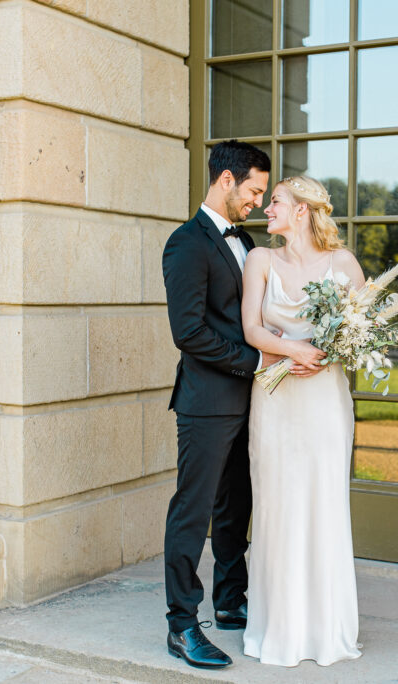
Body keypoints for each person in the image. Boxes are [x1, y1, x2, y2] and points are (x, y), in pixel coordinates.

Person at [161, 140, 283, 669]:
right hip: (207, 401)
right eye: (254, 190)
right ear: (226, 181)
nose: (257, 201)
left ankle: (231, 602)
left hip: (250, 402)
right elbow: (188, 332)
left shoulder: (247, 241)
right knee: (193, 512)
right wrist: (256, 363)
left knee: (238, 510)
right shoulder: (185, 244)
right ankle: (182, 624)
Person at [240, 175, 366, 667]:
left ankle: (324, 629)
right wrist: (291, 348)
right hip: (275, 400)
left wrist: (331, 353)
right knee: (276, 508)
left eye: (275, 202)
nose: (266, 209)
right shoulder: (260, 261)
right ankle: (280, 629)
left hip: (322, 404)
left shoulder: (343, 264)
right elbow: (252, 328)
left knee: (322, 505)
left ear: (301, 212)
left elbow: (364, 330)